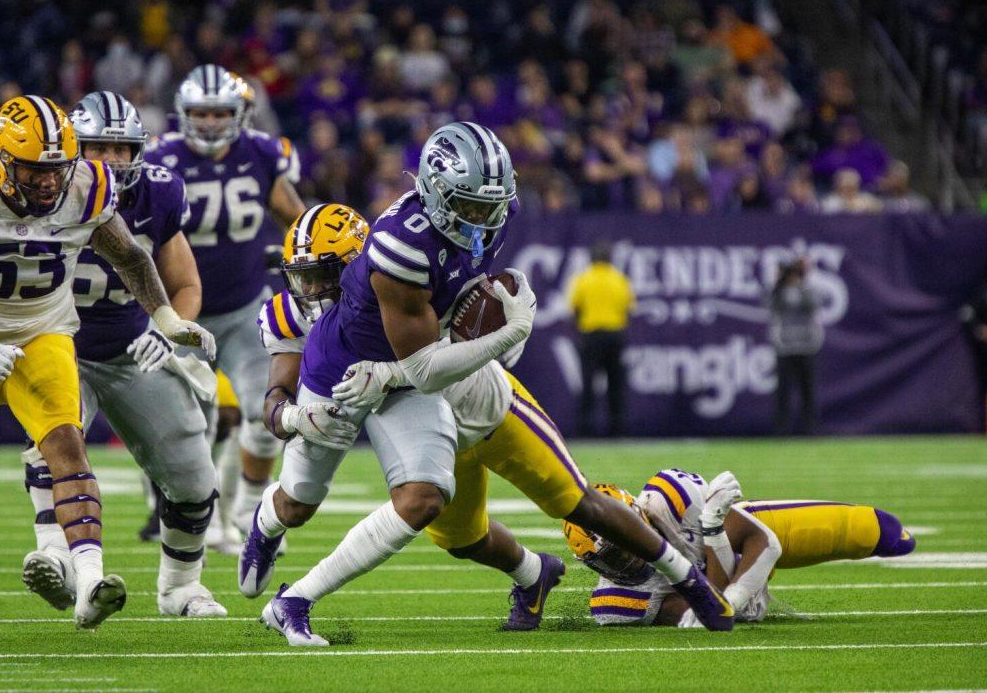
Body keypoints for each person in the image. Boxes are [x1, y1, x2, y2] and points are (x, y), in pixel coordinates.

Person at [242, 122, 733, 647]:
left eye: (487, 205)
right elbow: (425, 362)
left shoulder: (489, 214)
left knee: (427, 499)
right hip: (344, 378)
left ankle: (298, 600)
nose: (481, 218)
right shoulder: (396, 253)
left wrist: (494, 310)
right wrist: (291, 415)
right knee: (299, 502)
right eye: (469, 206)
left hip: (411, 382)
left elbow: (429, 358)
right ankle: (266, 526)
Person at [0, 95, 211, 629]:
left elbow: (132, 257)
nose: (49, 182)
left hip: (45, 330)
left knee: (66, 447)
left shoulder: (88, 187)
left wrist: (164, 319)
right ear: (1, 161)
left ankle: (90, 579)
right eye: (35, 169)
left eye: (58, 168)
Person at [16, 91, 225, 618]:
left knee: (194, 474)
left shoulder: (156, 195)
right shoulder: (39, 193)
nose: (112, 160)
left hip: (131, 346)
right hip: (54, 341)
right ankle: (58, 559)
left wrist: (169, 328)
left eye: (122, 149)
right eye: (99, 148)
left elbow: (185, 283)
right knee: (54, 449)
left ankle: (180, 587)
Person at [145, 64, 305, 552]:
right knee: (193, 424)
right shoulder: (160, 159)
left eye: (220, 112)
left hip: (242, 309)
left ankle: (249, 510)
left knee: (269, 411)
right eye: (201, 112)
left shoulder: (260, 153)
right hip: (181, 314)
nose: (212, 122)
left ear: (240, 113)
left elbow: (296, 219)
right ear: (182, 114)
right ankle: (201, 516)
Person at [566, 468, 915, 626]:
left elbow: (764, 543)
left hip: (744, 542)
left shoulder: (669, 498)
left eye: (625, 541)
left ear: (638, 514)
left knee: (877, 530)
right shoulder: (614, 603)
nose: (629, 556)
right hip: (725, 561)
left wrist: (719, 528)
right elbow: (720, 612)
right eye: (613, 557)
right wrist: (713, 531)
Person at [566, 240, 634, 436]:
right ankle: (617, 430)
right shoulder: (619, 278)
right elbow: (628, 308)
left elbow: (574, 308)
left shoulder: (583, 279)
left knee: (588, 384)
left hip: (591, 336)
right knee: (616, 384)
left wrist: (582, 329)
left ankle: (585, 430)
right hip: (614, 336)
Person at [766, 258, 823, 434]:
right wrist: (780, 282)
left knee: (807, 390)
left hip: (806, 347)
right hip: (785, 347)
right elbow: (770, 305)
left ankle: (810, 429)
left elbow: (814, 305)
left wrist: (801, 284)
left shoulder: (808, 290)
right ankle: (781, 429)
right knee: (783, 392)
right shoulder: (779, 292)